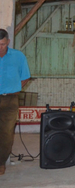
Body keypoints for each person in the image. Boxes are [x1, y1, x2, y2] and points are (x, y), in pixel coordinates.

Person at [0, 29, 31, 175]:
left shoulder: (18, 57)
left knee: (6, 134)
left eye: (2, 44)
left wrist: (15, 88)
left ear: (8, 42)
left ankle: (1, 163)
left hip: (10, 101)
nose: (0, 48)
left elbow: (25, 77)